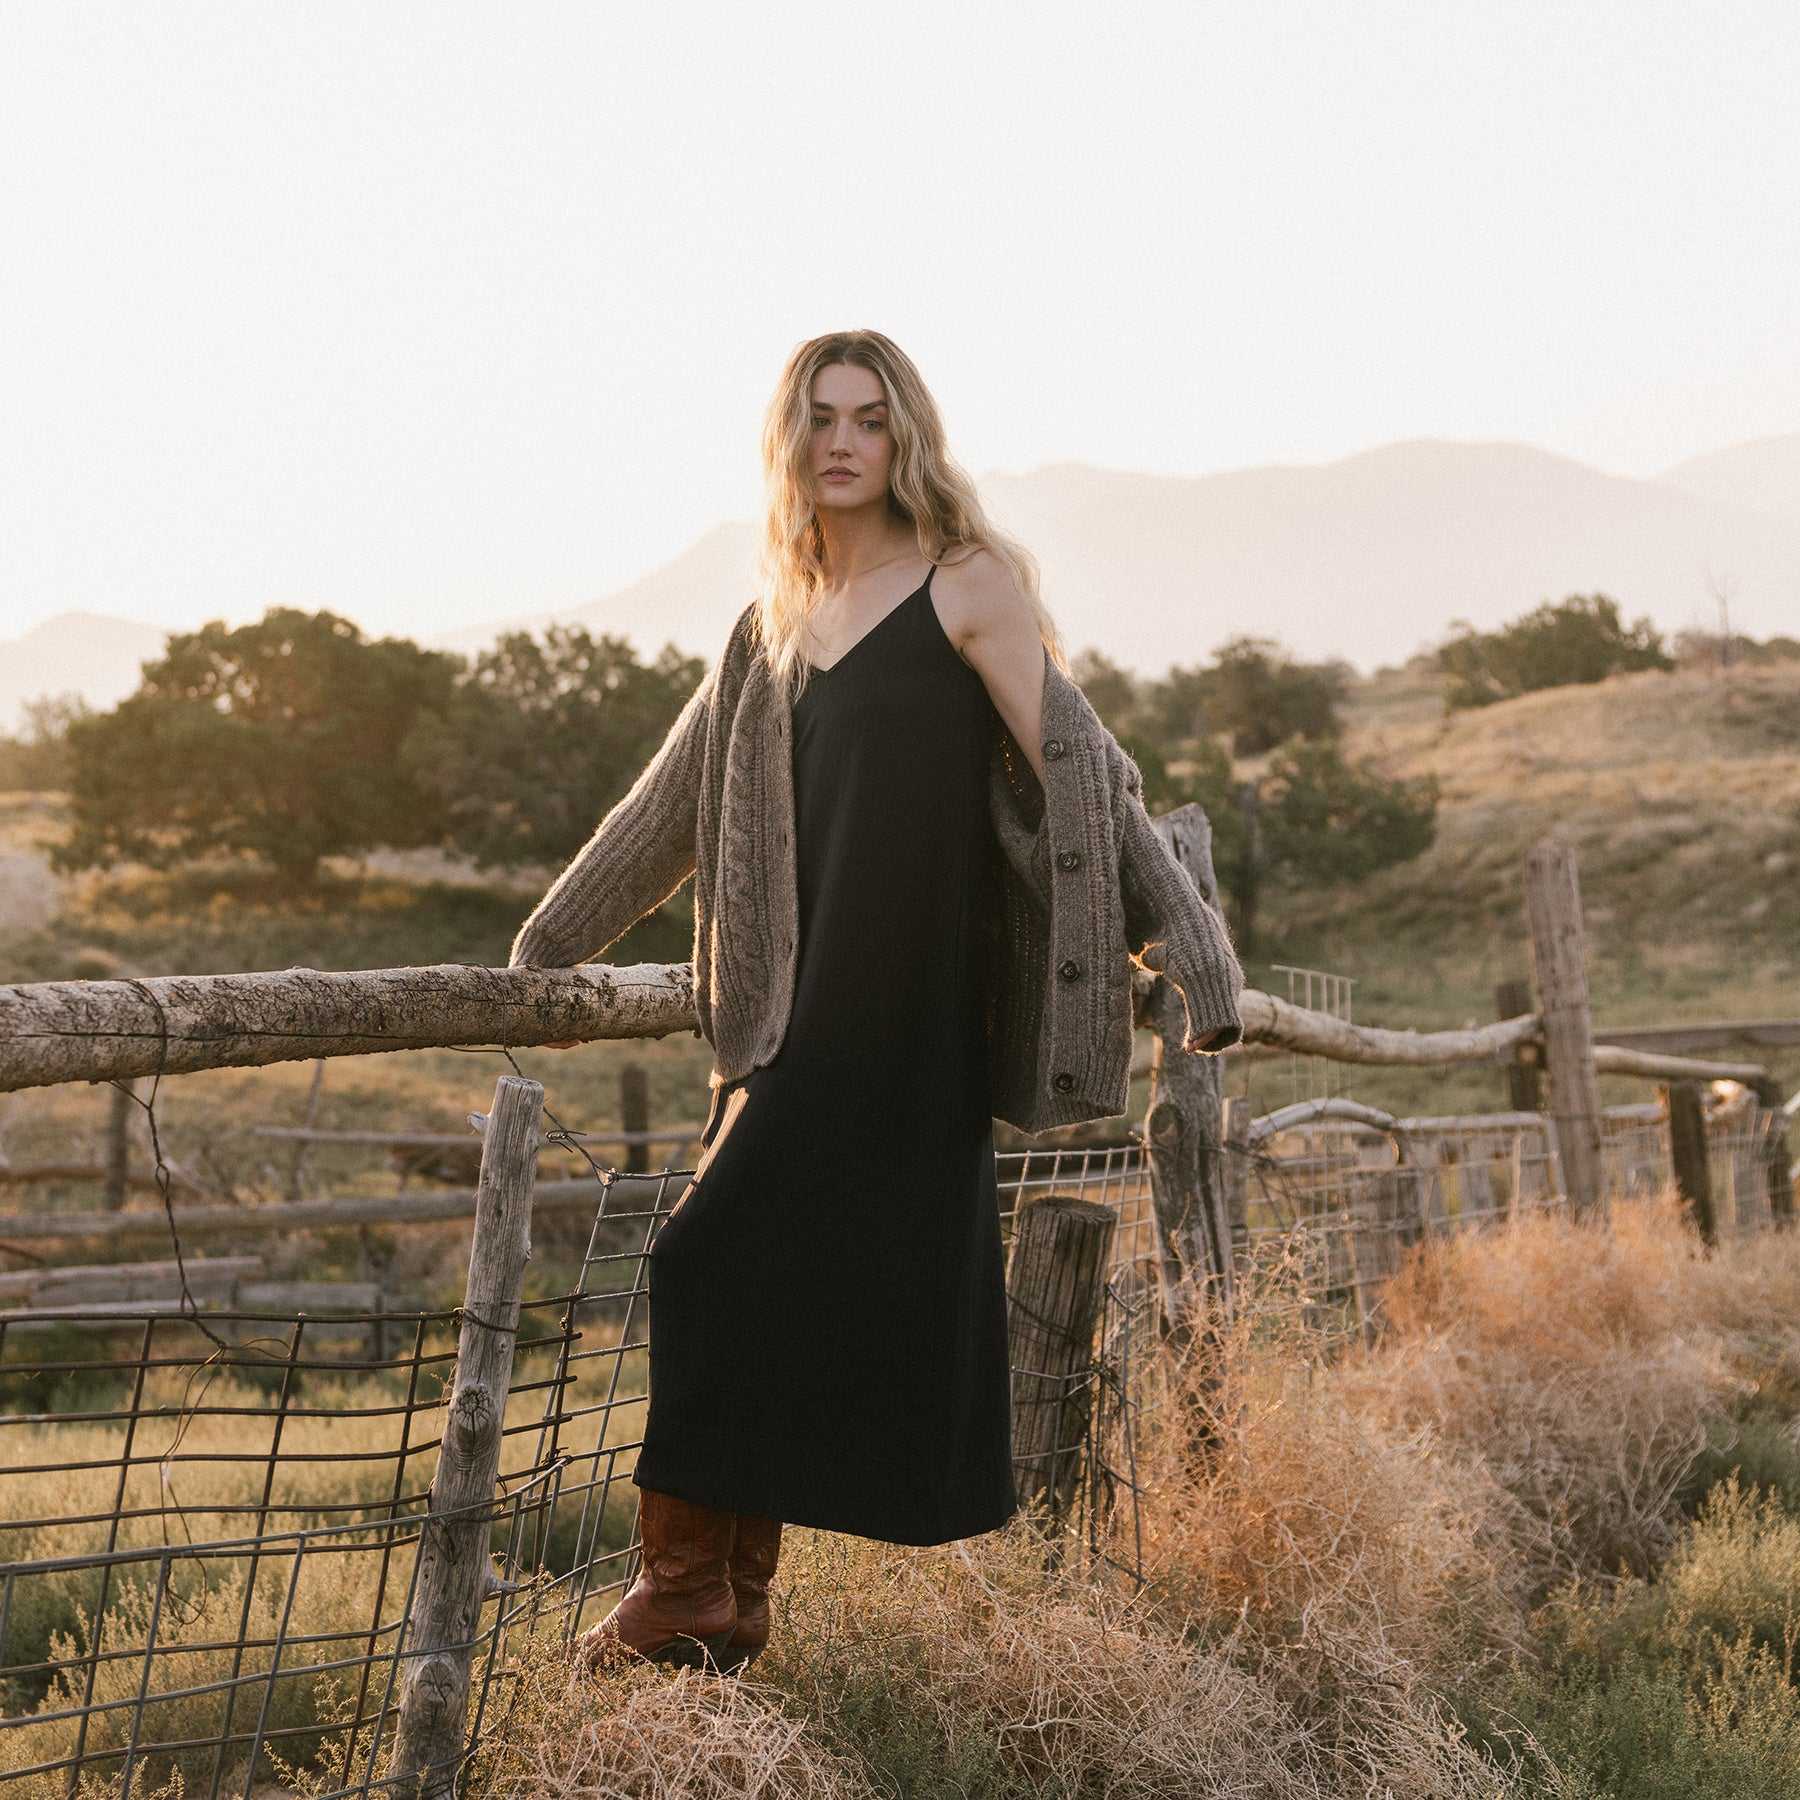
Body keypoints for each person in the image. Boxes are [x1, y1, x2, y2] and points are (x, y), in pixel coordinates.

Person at [509, 329, 1245, 1676]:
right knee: (755, 1280)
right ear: (790, 448)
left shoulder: (969, 588)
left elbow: (1092, 774)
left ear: (909, 439)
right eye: (819, 420)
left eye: (870, 418)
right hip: (789, 1018)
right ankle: (726, 1605)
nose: (843, 441)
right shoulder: (768, 623)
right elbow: (667, 809)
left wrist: (1190, 942)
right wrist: (544, 951)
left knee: (704, 1259)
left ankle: (682, 1593)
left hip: (909, 1020)